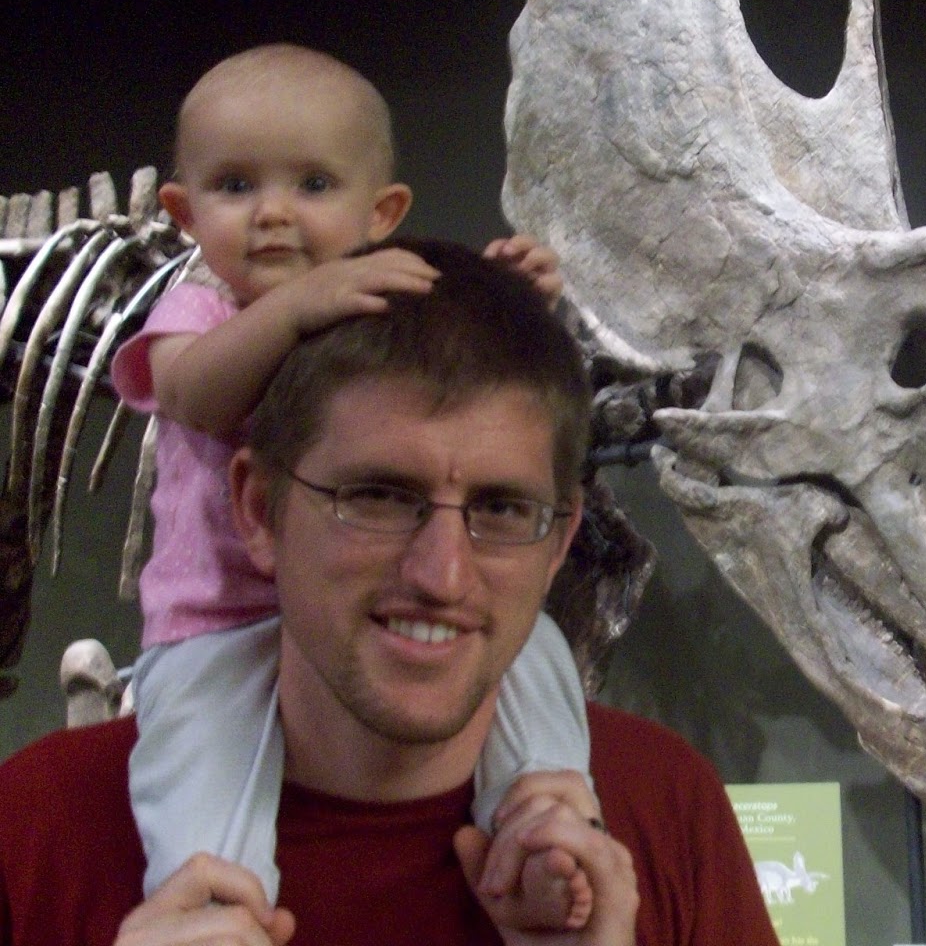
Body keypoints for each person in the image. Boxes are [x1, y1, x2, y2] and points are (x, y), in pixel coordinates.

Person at [0, 239, 780, 945]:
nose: (443, 576)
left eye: (503, 509)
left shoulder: (666, 806)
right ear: (259, 510)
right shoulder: (36, 827)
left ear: (558, 541)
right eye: (376, 496)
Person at [106, 45, 589, 930]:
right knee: (203, 784)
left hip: (345, 618)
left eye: (315, 185)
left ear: (384, 213)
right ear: (183, 212)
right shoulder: (200, 313)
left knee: (537, 656)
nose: (273, 214)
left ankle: (543, 819)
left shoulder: (357, 308)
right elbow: (191, 394)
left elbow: (453, 367)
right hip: (214, 623)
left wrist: (510, 298)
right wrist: (297, 307)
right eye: (236, 186)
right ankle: (214, 908)